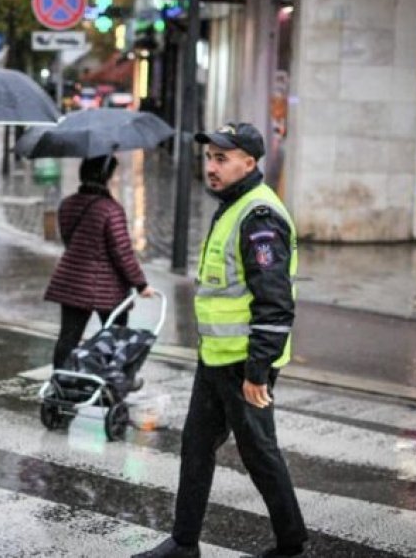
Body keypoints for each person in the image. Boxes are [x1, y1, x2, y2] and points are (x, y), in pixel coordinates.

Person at [134, 123, 307, 558]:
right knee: (196, 446)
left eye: (221, 159)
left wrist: (258, 370)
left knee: (259, 454)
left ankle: (292, 544)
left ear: (249, 163)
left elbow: (274, 301)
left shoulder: (258, 217)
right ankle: (184, 542)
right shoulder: (233, 205)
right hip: (216, 359)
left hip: (244, 364)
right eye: (209, 157)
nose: (211, 167)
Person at [44, 155, 154, 372]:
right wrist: (141, 284)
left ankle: (60, 381)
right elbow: (122, 252)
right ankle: (111, 381)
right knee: (115, 338)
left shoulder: (68, 204)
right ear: (106, 176)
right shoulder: (110, 209)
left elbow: (69, 239)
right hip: (107, 287)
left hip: (72, 281)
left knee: (68, 338)